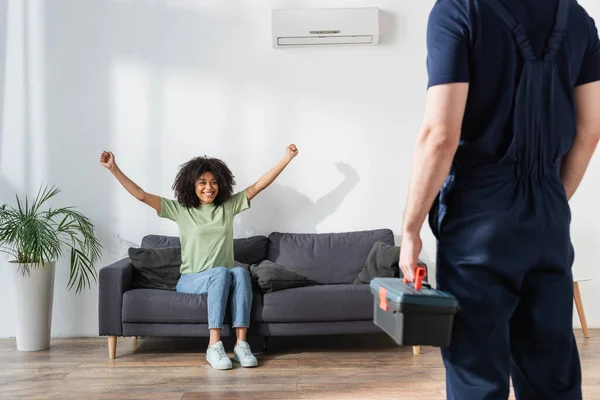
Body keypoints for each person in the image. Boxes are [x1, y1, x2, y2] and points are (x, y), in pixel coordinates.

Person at [398, 0, 600, 398]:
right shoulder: (577, 18)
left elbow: (440, 135)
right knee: (552, 376)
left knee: (477, 376)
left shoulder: (458, 11)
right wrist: (552, 201)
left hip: (479, 219)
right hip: (549, 217)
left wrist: (410, 227)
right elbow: (590, 128)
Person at [100, 144, 299, 370]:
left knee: (240, 273)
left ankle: (242, 345)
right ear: (192, 185)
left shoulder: (227, 207)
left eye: (214, 182)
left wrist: (287, 158)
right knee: (223, 272)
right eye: (202, 182)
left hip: (223, 277)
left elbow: (259, 186)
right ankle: (214, 346)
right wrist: (113, 168)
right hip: (192, 280)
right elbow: (141, 195)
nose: (209, 187)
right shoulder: (181, 210)